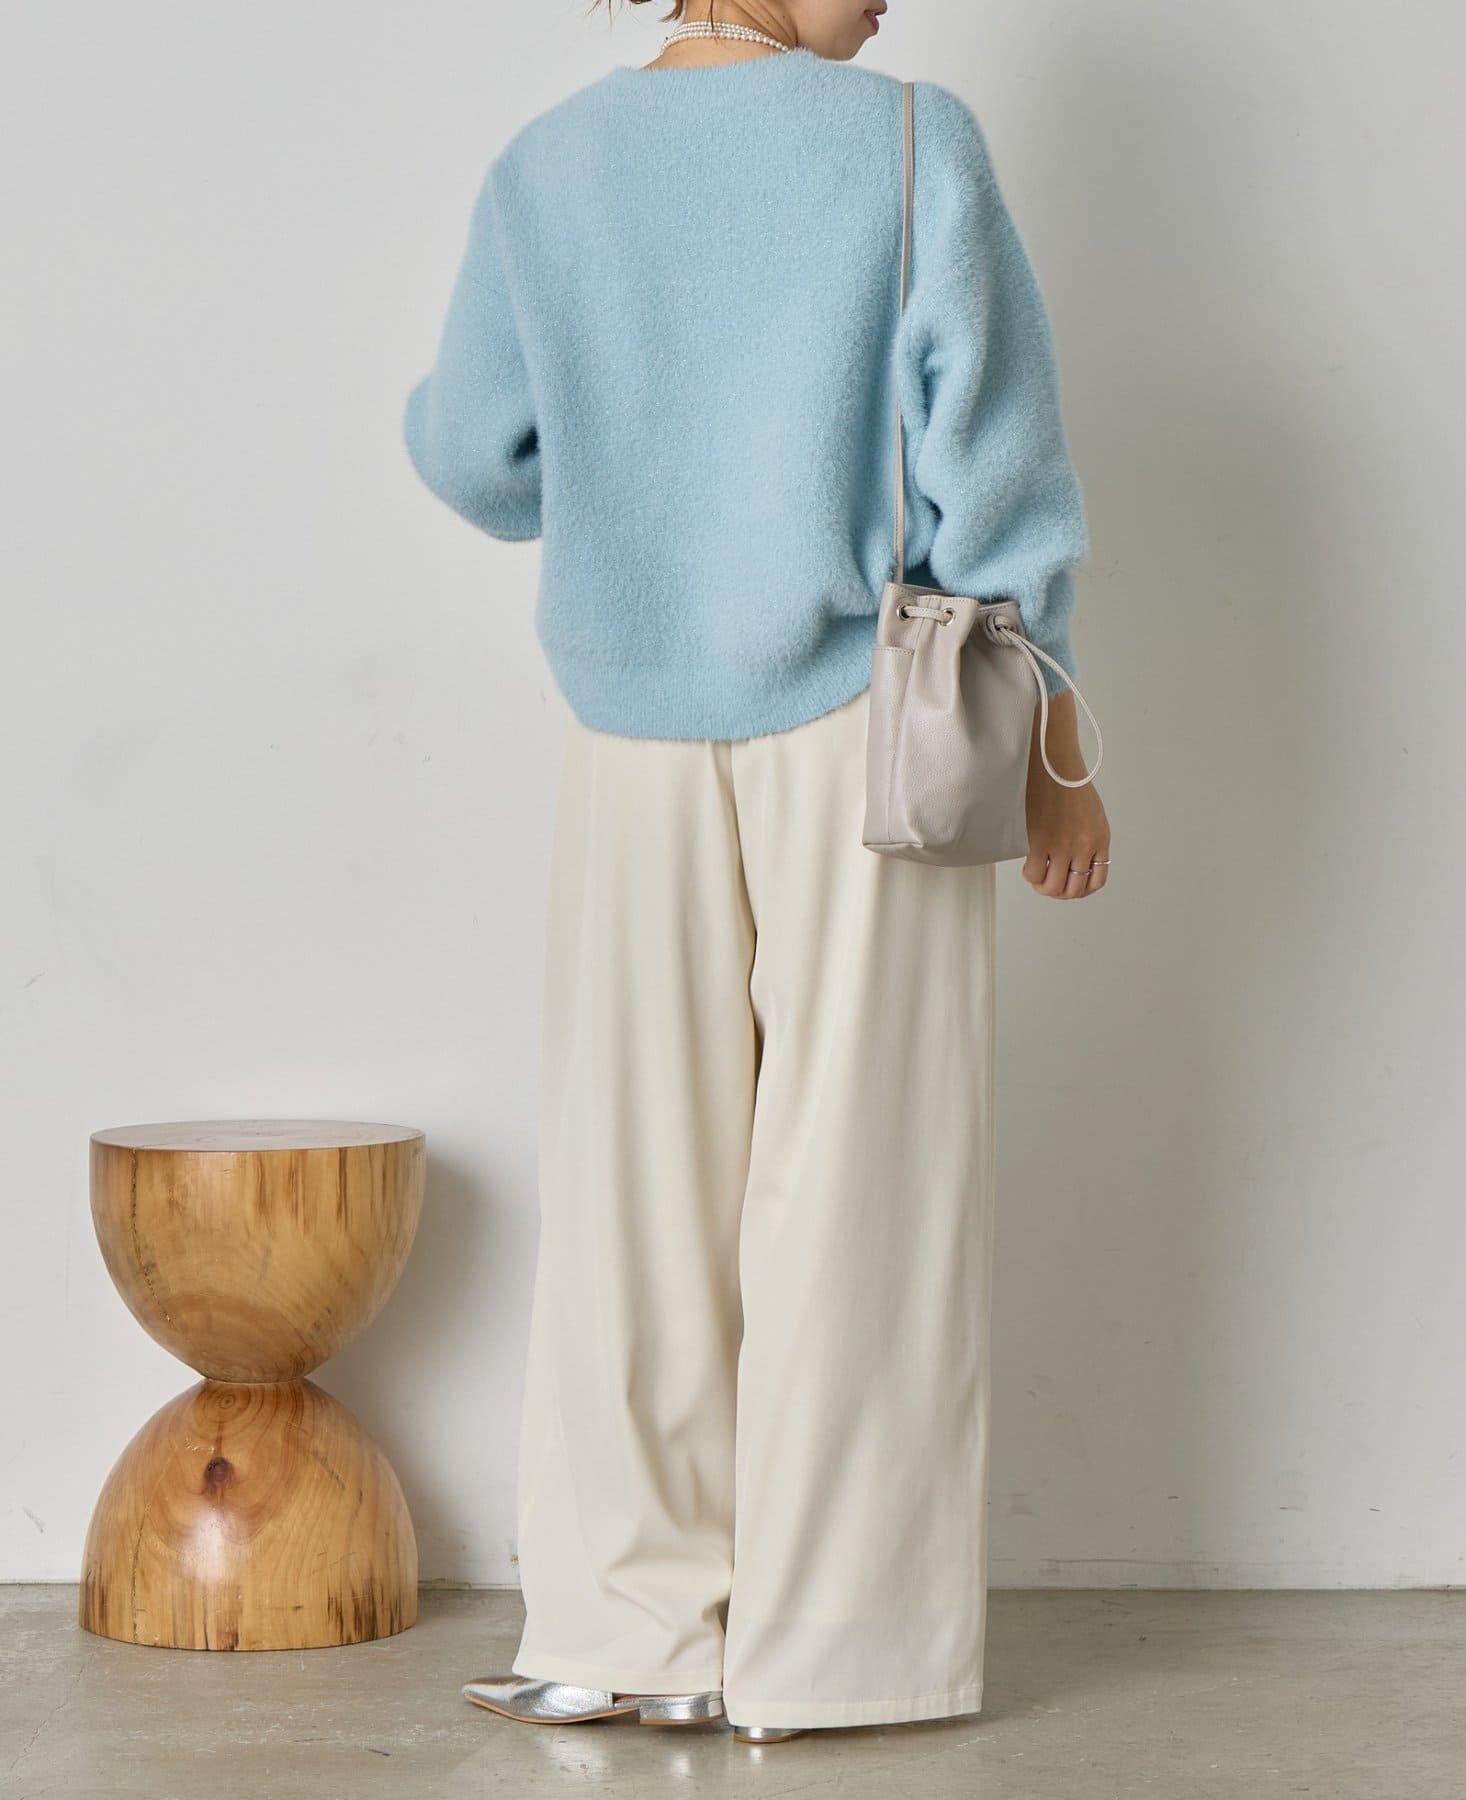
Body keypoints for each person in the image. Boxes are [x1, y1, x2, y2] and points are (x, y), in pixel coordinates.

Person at [402, 0, 1110, 1748]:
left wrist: (633, 456)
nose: (892, 1)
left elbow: (474, 456)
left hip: (629, 725)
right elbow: (997, 469)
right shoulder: (909, 142)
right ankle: (839, 1647)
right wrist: (1057, 744)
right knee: (867, 1174)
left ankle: (623, 1631)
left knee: (632, 1176)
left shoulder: (548, 167)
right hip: (869, 719)